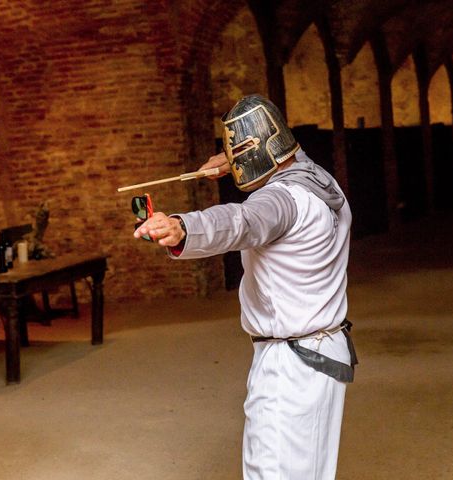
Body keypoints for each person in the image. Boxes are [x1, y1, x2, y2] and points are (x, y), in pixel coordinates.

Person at [133, 94, 356, 480]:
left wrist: (183, 227)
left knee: (270, 472)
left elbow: (242, 220)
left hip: (290, 364)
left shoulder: (281, 202)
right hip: (325, 353)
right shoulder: (321, 182)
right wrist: (233, 163)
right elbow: (290, 164)